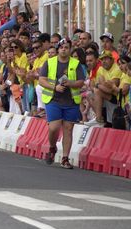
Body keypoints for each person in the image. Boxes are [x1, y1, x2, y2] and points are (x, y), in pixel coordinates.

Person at [39, 38, 85, 169]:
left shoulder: (76, 64)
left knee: (68, 129)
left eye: (66, 47)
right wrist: (54, 87)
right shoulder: (49, 62)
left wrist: (71, 83)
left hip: (71, 101)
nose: (64, 49)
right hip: (53, 100)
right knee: (53, 127)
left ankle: (65, 158)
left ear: (70, 49)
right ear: (58, 49)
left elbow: (81, 81)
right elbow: (41, 80)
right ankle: (52, 147)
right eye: (61, 47)